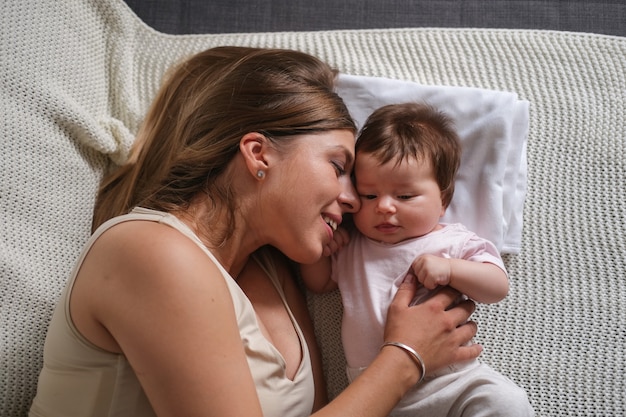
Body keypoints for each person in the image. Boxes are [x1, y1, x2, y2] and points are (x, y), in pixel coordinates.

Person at [29, 47, 482, 417]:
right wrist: (404, 358)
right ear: (258, 154)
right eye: (338, 166)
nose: (352, 199)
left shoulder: (275, 275)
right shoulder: (149, 250)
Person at [301, 102, 534, 416]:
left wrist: (452, 269)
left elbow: (497, 287)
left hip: (452, 378)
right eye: (369, 195)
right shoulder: (354, 247)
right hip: (376, 385)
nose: (384, 207)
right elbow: (319, 283)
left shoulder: (451, 240)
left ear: (444, 200)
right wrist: (322, 247)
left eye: (404, 196)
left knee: (506, 402)